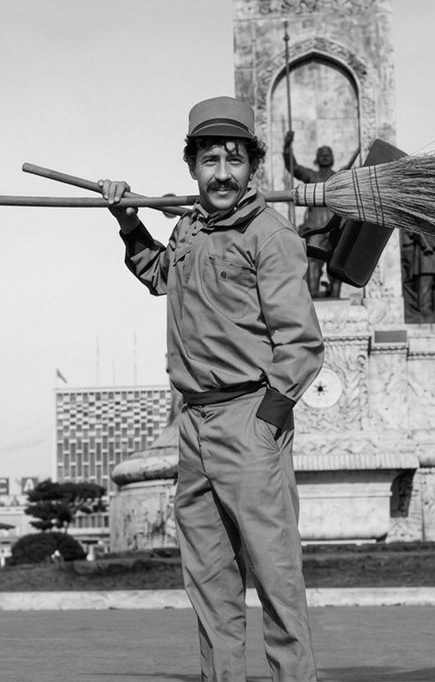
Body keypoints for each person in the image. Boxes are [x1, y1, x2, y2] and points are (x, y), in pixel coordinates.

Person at [99, 96, 324, 681]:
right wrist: (127, 220)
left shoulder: (270, 236)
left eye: (233, 159)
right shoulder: (187, 230)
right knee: (209, 580)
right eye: (208, 160)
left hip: (248, 417)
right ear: (191, 167)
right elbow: (158, 276)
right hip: (192, 426)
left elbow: (300, 343)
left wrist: (267, 420)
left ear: (253, 166)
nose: (221, 174)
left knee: (276, 578)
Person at [282, 130, 358, 299]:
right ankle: (313, 295)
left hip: (338, 226)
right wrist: (287, 147)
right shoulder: (312, 176)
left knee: (337, 263)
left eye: (328, 154)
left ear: (332, 158)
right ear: (317, 158)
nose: (324, 157)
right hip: (317, 227)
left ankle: (336, 296)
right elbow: (292, 167)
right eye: (321, 154)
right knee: (314, 262)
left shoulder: (340, 176)